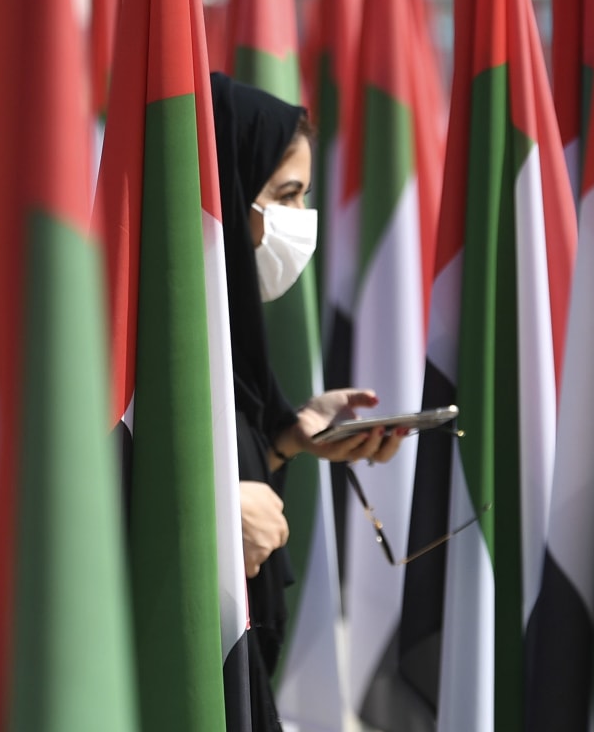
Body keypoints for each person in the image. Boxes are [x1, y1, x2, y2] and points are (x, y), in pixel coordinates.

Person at [208, 72, 406, 729]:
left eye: (305, 197)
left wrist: (288, 439)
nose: (299, 221)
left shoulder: (222, 337)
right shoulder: (128, 336)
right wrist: (212, 518)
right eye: (285, 195)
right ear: (226, 187)